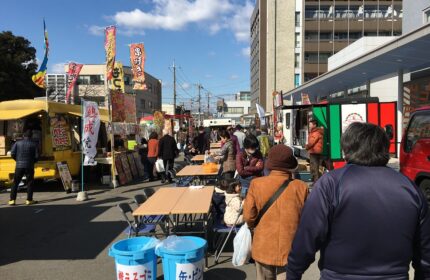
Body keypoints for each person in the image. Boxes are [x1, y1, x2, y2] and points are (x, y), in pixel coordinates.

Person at [286, 122, 430, 280]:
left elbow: (308, 236)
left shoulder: (331, 184)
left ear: (347, 149)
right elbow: (425, 254)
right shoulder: (410, 189)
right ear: (384, 148)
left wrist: (293, 272)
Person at [243, 144, 308, 280]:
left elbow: (249, 216)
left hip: (263, 244)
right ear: (290, 165)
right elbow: (308, 219)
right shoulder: (301, 187)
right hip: (291, 247)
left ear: (269, 164)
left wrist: (253, 226)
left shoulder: (257, 184)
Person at [9, 130, 40, 206]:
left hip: (19, 166)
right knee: (30, 182)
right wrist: (33, 162)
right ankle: (29, 200)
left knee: (15, 182)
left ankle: (12, 200)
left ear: (23, 136)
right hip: (29, 166)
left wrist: (17, 160)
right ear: (31, 136)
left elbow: (12, 153)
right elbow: (37, 156)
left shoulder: (17, 143)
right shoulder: (34, 144)